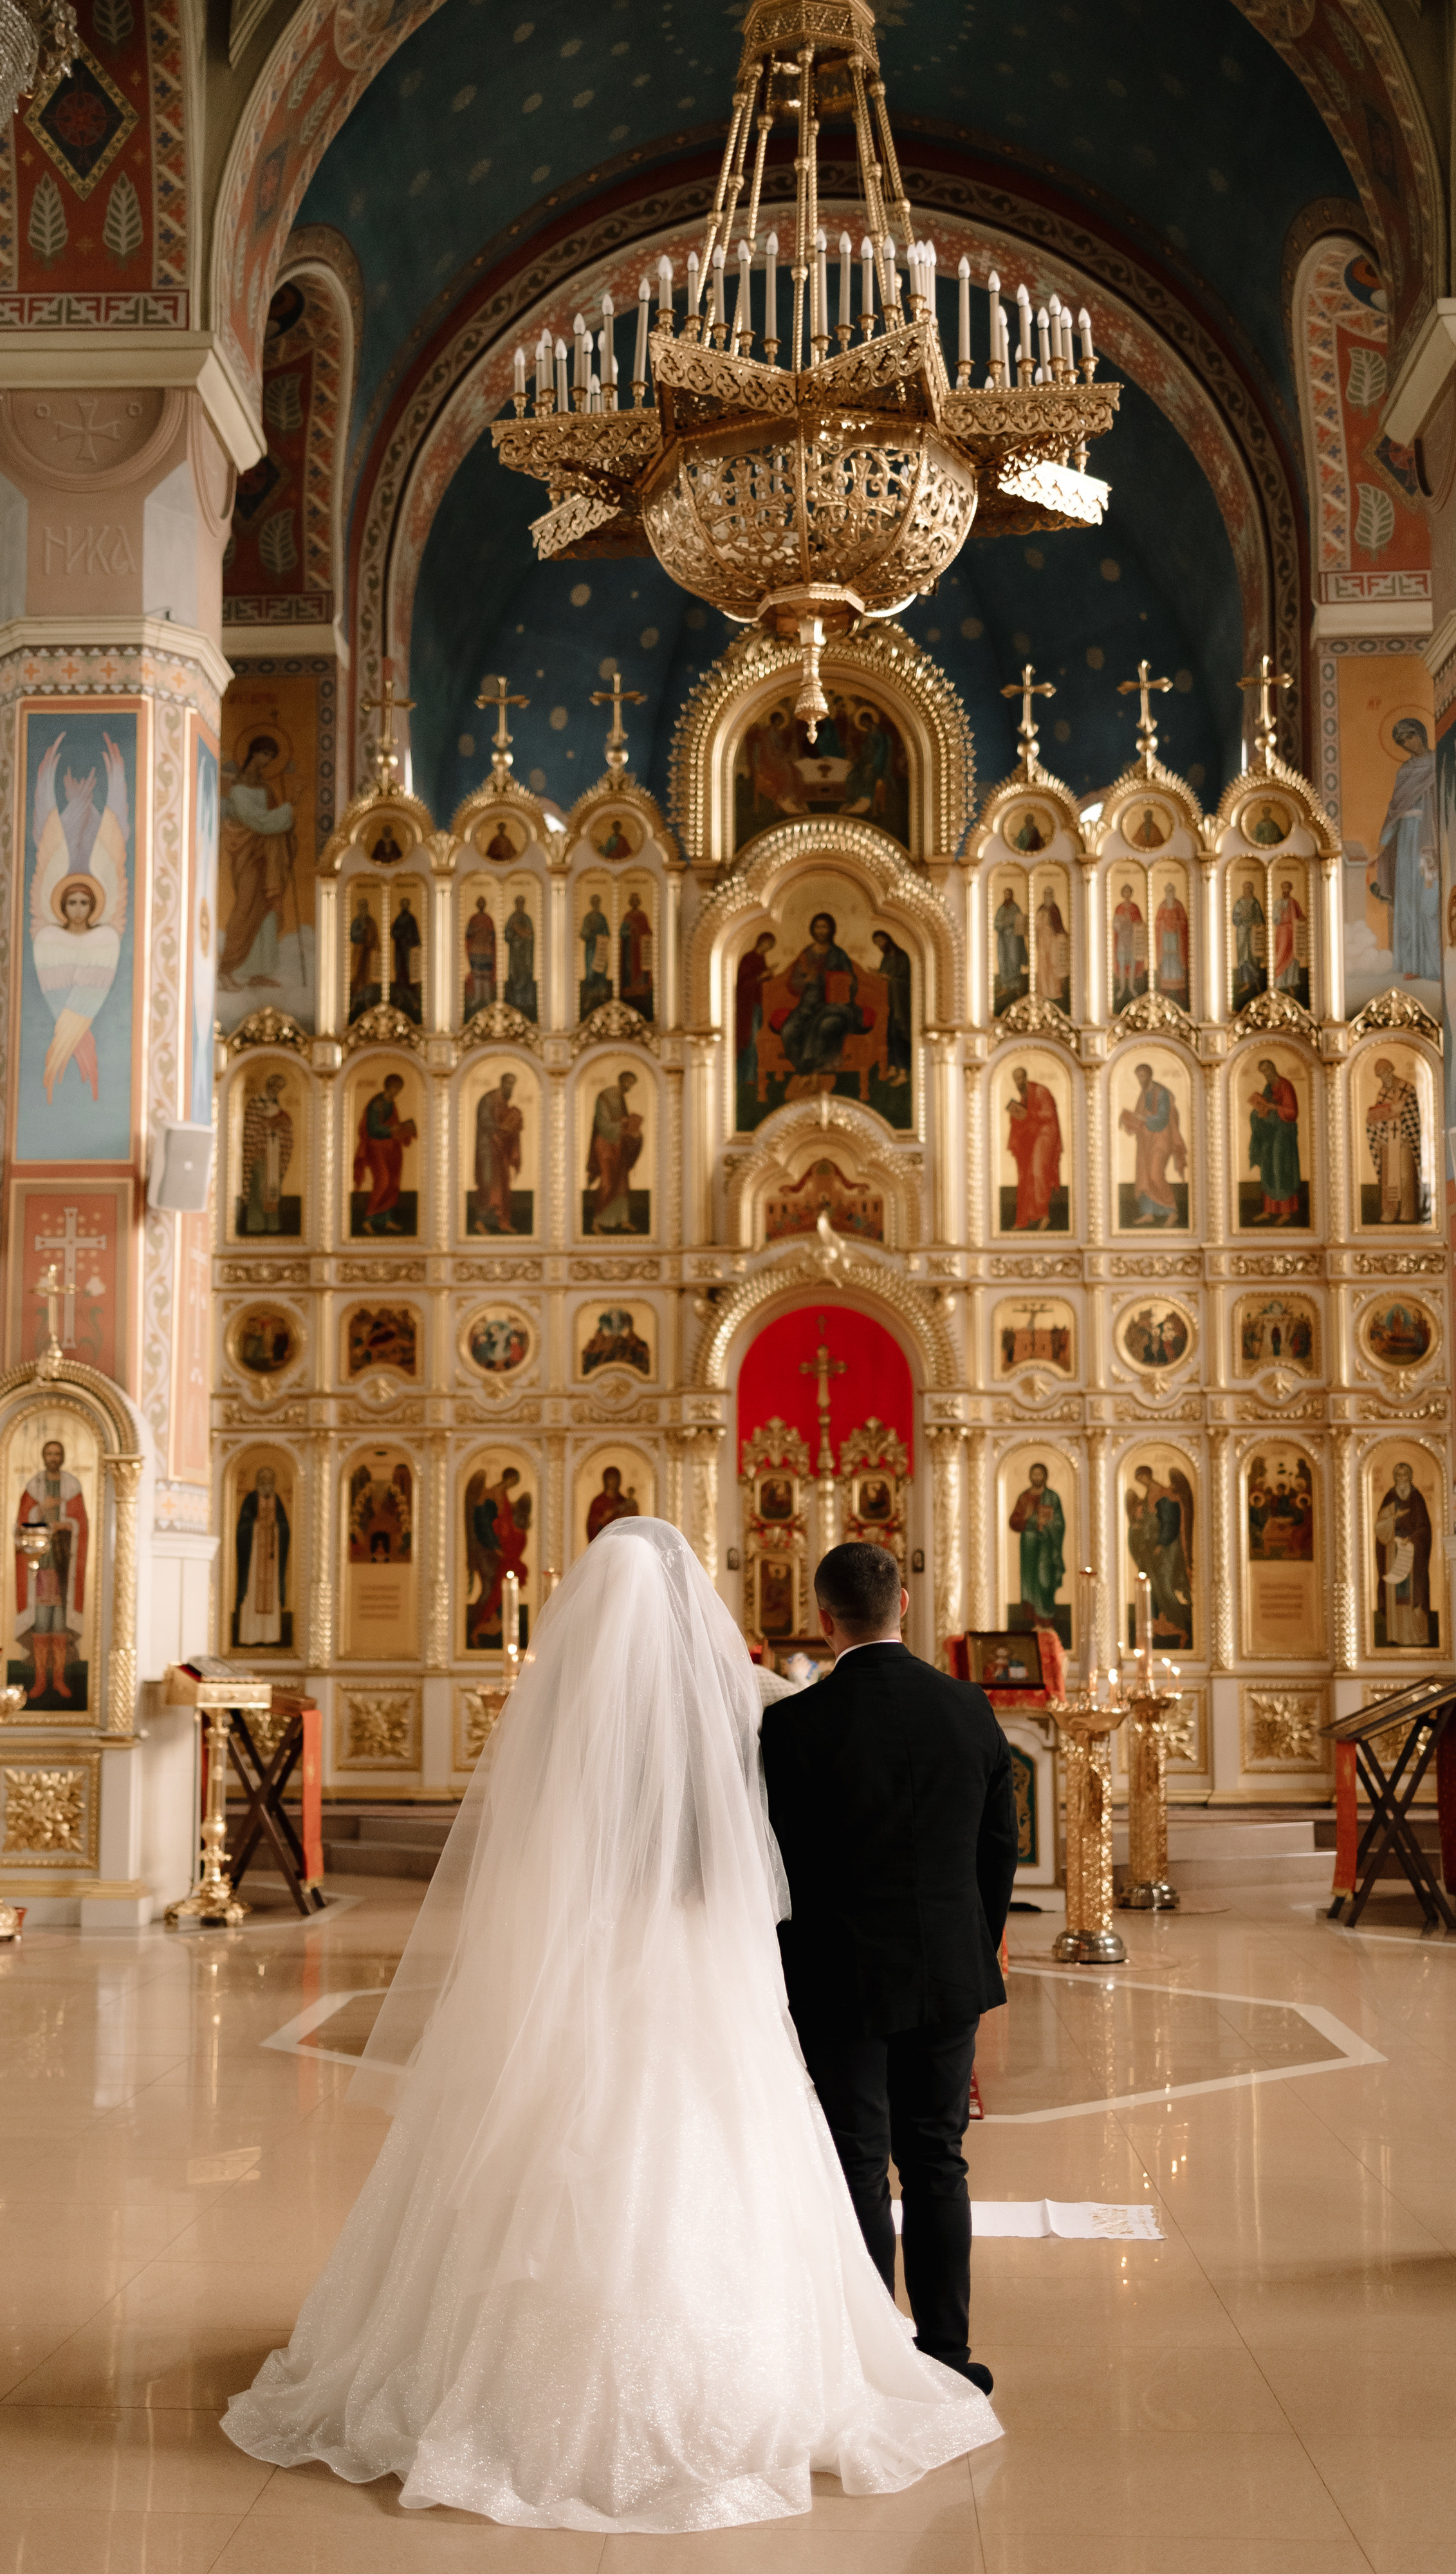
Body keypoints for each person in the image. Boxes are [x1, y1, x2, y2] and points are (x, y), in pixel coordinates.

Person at [221, 1522, 1000, 2524]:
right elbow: (767, 1865)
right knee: (884, 2154)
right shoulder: (748, 1719)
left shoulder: (581, 1726)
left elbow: (547, 1867)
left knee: (765, 2147)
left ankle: (500, 2367)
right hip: (712, 1974)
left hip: (590, 1971)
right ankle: (891, 2348)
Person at [761, 1540, 1018, 2395]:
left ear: (823, 1618)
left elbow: (779, 1857)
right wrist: (968, 1941)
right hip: (947, 1966)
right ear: (902, 1604)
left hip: (838, 1971)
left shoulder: (794, 1724)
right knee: (938, 2157)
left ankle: (872, 2361)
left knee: (857, 2159)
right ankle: (947, 2355)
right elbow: (996, 1847)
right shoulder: (966, 1708)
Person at [218, 734, 295, 991]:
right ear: (254, 753)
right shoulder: (239, 790)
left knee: (266, 913)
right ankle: (225, 969)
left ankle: (258, 972)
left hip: (267, 859)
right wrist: (289, 809)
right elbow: (259, 821)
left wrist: (285, 819)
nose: (268, 761)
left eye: (272, 757)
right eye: (265, 754)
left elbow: (276, 825)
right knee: (245, 907)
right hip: (248, 856)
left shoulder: (265, 789)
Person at [15, 1438, 88, 1701]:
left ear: (63, 1456)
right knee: (42, 1623)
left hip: (65, 1565)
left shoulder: (72, 1487)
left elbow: (82, 1525)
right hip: (40, 1566)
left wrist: (65, 1524)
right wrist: (42, 1509)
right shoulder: (34, 1487)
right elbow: (21, 1528)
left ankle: (58, 1680)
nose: (53, 1457)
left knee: (59, 1624)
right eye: (49, 1453)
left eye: (57, 1453)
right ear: (43, 1457)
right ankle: (39, 1681)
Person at [1370, 718, 1439, 982]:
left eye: (1410, 737)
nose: (1408, 744)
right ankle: (1411, 964)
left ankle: (1434, 965)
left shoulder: (1438, 763)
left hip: (1429, 841)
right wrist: (1383, 841)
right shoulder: (1405, 771)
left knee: (1428, 899)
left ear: (1421, 734)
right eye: (1401, 742)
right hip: (1406, 843)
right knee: (1407, 902)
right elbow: (1395, 808)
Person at [1120, 1061, 1188, 1227]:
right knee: (1144, 1176)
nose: (1141, 1080)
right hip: (1145, 1140)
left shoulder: (1161, 1093)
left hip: (1161, 1138)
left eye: (1143, 1076)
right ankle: (1148, 1213)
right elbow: (1139, 1116)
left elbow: (1163, 1119)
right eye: (1138, 1077)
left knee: (1155, 1174)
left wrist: (1142, 1118)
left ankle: (1173, 1211)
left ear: (1150, 1075)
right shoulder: (1144, 1094)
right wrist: (1130, 1121)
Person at [1374, 1460, 1432, 1647]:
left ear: (1410, 1478)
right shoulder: (1390, 1497)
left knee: (1412, 1593)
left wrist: (1412, 1539)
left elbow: (1425, 1528)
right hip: (1393, 1551)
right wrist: (1393, 1521)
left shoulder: (1417, 1499)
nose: (1402, 1480)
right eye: (1398, 1476)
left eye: (1405, 1476)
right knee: (1395, 1592)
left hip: (1412, 1553)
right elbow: (1380, 1526)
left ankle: (1415, 1636)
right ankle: (1396, 1634)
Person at [353, 1072, 417, 1234]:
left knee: (394, 1183)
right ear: (389, 1086)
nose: (397, 1092)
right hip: (377, 1148)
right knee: (383, 1181)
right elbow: (372, 1129)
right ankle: (368, 1219)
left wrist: (401, 1128)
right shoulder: (376, 1104)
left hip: (392, 1148)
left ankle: (387, 1220)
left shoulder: (391, 1103)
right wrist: (392, 1129)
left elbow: (393, 1124)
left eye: (399, 1089)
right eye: (395, 1088)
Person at [1365, 1055, 1422, 1223]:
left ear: (1391, 1071)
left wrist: (1395, 1112)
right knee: (1388, 1180)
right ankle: (1389, 1212)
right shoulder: (1382, 1091)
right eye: (1380, 1076)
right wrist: (1376, 1117)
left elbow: (1413, 1116)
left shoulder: (1407, 1088)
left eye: (1385, 1074)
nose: (1383, 1079)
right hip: (1387, 1142)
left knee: (1405, 1177)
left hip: (1403, 1140)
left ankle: (1408, 1212)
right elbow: (1378, 1115)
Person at [1005, 1062, 1062, 1229]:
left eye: (1020, 1078)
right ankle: (1030, 1217)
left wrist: (1028, 1114)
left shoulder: (1040, 1091)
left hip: (1046, 1134)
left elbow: (1048, 1114)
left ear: (1025, 1077)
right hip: (1034, 1136)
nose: (1018, 1082)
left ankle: (1044, 1215)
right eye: (1015, 1079)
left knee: (1038, 1172)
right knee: (1026, 1176)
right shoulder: (1024, 1096)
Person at [585, 1068, 643, 1232]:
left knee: (623, 1183)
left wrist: (633, 1131)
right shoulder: (606, 1096)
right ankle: (596, 1222)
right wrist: (624, 1123)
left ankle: (622, 1220)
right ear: (621, 1080)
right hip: (605, 1144)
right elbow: (603, 1124)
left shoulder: (620, 1097)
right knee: (608, 1181)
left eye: (632, 1084)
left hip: (618, 1144)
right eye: (628, 1082)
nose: (630, 1086)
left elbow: (621, 1125)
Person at [1008, 1460, 1064, 1623]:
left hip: (1047, 1544)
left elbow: (1060, 1523)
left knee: (1044, 1579)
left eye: (1040, 1474)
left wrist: (1049, 1524)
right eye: (1034, 1474)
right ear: (1030, 1476)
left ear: (1045, 1476)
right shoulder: (1024, 1497)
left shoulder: (1052, 1497)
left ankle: (1046, 1619)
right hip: (1029, 1545)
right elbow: (1014, 1522)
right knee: (1030, 1580)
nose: (1037, 1477)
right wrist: (1026, 1518)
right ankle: (1033, 1621)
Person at [1247, 1056, 1301, 1223]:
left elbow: (1292, 1112)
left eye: (1267, 1071)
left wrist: (1274, 1107)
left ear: (1273, 1069)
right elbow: (1265, 1107)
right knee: (1268, 1168)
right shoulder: (1268, 1088)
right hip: (1270, 1133)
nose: (1266, 1075)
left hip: (1284, 1134)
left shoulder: (1285, 1086)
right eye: (1263, 1073)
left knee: (1280, 1169)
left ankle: (1286, 1212)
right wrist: (1261, 1110)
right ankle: (1268, 1210)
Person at [240, 1069, 294, 1235]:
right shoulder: (257, 1101)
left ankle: (272, 1225)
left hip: (274, 1153)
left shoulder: (276, 1103)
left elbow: (284, 1126)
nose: (278, 1090)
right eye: (276, 1087)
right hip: (260, 1153)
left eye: (280, 1088)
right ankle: (255, 1225)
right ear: (270, 1085)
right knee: (258, 1189)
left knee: (272, 1190)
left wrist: (281, 1125)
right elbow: (252, 1127)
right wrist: (269, 1126)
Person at [472, 1070, 522, 1234]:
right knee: (487, 1185)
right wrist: (502, 1127)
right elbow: (485, 1120)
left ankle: (501, 1222)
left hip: (499, 1150)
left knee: (502, 1186)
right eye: (508, 1083)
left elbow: (505, 1121)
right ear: (502, 1083)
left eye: (513, 1084)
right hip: (487, 1149)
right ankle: (480, 1222)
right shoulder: (489, 1098)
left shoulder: (503, 1101)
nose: (511, 1087)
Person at [1231, 878, 1266, 1010]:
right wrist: (1241, 918)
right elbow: (1235, 919)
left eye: (1250, 889)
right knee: (1243, 957)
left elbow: (1260, 918)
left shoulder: (1255, 903)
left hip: (1252, 933)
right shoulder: (1239, 903)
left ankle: (1255, 983)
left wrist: (1254, 922)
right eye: (1246, 888)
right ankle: (1246, 982)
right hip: (1242, 932)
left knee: (1252, 957)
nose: (1248, 891)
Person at [503, 894, 537, 1020]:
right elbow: (507, 936)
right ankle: (515, 1003)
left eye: (522, 903)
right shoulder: (512, 918)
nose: (520, 905)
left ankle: (526, 1002)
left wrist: (520, 931)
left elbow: (530, 935)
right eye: (518, 903)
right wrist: (516, 935)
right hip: (515, 955)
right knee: (515, 976)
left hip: (525, 955)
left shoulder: (527, 919)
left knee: (525, 976)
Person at [389, 893, 423, 1021]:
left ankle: (411, 994)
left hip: (408, 949)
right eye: (402, 905)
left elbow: (416, 935)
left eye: (406, 905)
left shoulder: (412, 919)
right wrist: (400, 933)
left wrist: (411, 939)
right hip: (399, 949)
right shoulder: (398, 919)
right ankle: (401, 991)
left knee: (408, 970)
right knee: (399, 968)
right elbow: (394, 933)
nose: (404, 907)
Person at [585, 1464, 640, 1539]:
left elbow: (634, 1523)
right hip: (605, 1542)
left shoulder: (624, 1502)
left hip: (622, 1541)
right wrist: (604, 1519)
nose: (613, 1482)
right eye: (610, 1478)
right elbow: (592, 1526)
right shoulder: (598, 1502)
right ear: (605, 1480)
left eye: (616, 1478)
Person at [1111, 882, 1143, 1007]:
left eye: (1129, 892)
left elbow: (1140, 924)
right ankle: (1122, 989)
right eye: (1125, 892)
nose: (1127, 894)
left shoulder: (1135, 907)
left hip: (1132, 941)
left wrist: (1131, 921)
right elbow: (1115, 925)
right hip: (1122, 941)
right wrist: (1121, 922)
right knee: (1123, 965)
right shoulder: (1119, 908)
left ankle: (1131, 988)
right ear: (1123, 894)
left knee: (1132, 965)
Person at [463, 896, 495, 1018]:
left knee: (486, 975)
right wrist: (477, 930)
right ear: (477, 905)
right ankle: (477, 998)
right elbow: (469, 934)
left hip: (486, 950)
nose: (481, 905)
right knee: (477, 974)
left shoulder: (488, 919)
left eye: (483, 903)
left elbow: (493, 936)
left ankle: (487, 998)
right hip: (476, 950)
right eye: (480, 903)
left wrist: (486, 934)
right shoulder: (473, 919)